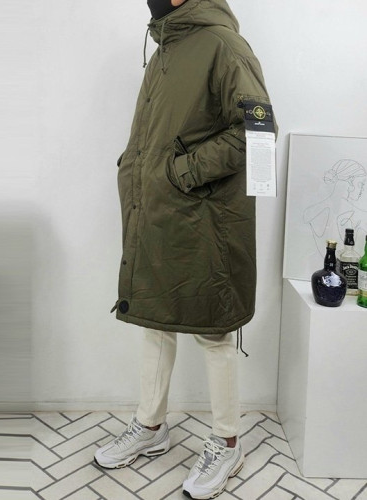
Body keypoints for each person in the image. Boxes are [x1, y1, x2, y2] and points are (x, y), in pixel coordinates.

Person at [95, 1, 275, 498]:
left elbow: (258, 130)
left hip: (202, 217)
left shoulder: (222, 44)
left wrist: (182, 173)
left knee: (213, 330)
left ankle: (228, 441)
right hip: (158, 212)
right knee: (155, 319)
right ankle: (151, 426)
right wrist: (137, 170)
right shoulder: (165, 49)